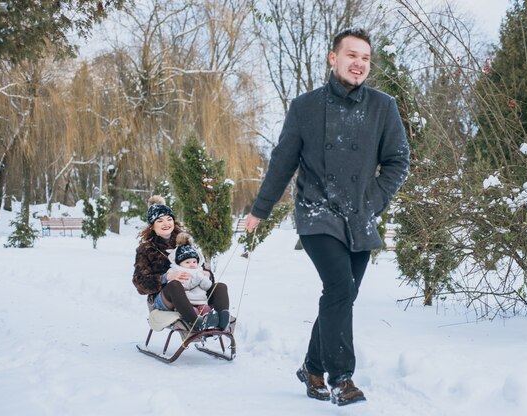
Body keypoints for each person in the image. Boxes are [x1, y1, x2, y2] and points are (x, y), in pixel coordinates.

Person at [244, 28, 410, 406]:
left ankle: (312, 366)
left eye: (366, 58)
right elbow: (283, 163)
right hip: (317, 212)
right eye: (352, 55)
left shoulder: (383, 107)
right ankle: (341, 378)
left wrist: (374, 200)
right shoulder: (305, 107)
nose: (359, 63)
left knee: (343, 295)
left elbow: (399, 160)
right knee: (339, 288)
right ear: (333, 58)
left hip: (360, 215)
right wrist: (260, 210)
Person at [133, 195, 232, 333]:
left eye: (169, 219)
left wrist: (207, 274)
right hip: (165, 298)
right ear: (152, 225)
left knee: (220, 287)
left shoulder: (185, 242)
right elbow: (139, 282)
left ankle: (222, 323)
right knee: (174, 285)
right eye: (160, 221)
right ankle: (196, 323)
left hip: (196, 294)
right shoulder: (146, 249)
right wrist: (165, 278)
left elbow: (198, 266)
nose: (166, 223)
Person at [168, 232, 214, 319]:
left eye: (194, 262)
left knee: (207, 310)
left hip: (201, 301)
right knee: (195, 312)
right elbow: (184, 286)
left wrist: (204, 278)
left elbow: (207, 286)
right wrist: (198, 278)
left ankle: (209, 321)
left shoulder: (199, 271)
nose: (192, 264)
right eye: (187, 262)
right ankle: (197, 322)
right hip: (187, 303)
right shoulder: (176, 272)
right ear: (179, 264)